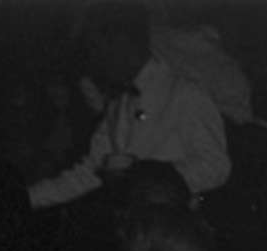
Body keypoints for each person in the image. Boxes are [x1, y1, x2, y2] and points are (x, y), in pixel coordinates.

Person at [27, 2, 230, 208]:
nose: (94, 61)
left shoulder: (184, 94)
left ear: (121, 43)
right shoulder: (118, 105)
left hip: (173, 227)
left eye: (96, 49)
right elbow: (90, 172)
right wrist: (27, 198)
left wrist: (143, 178)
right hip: (133, 228)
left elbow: (216, 166)